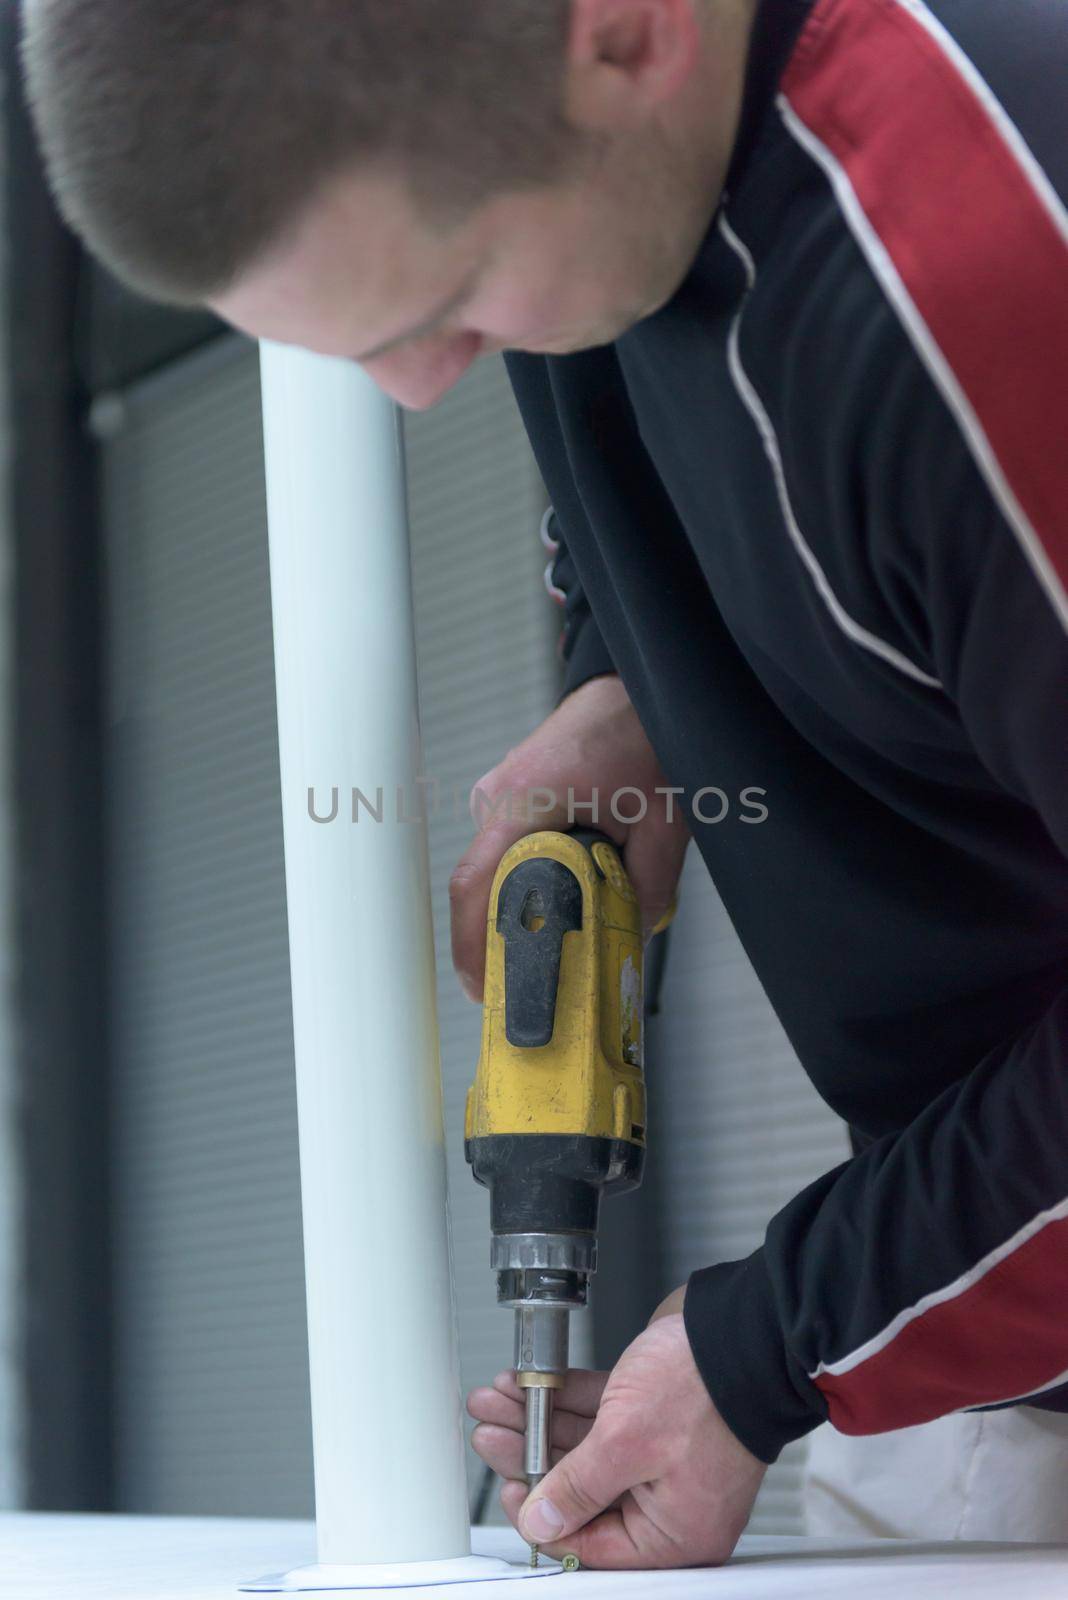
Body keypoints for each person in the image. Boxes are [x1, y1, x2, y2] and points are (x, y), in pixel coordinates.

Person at [21, 0, 1068, 1569]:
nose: (426, 387)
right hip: (987, 1350)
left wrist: (763, 1343)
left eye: (447, 301)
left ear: (627, 34)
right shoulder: (612, 187)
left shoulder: (979, 266)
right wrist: (625, 680)